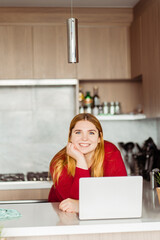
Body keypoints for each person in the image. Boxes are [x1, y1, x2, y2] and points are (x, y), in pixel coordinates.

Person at [48, 113, 127, 213]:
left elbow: (120, 193)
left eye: (91, 133)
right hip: (63, 215)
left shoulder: (110, 152)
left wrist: (81, 205)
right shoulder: (59, 163)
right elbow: (72, 203)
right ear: (70, 137)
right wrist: (80, 161)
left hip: (99, 212)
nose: (84, 138)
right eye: (78, 132)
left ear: (99, 138)